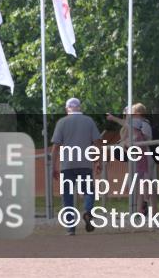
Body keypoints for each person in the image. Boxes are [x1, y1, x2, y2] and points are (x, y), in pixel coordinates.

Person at [51, 97, 102, 236]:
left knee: (67, 196)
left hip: (67, 165)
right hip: (85, 163)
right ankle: (87, 210)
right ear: (79, 108)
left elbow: (56, 146)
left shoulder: (61, 122)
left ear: (67, 108)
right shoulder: (88, 121)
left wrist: (53, 167)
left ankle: (70, 228)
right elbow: (97, 142)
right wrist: (98, 161)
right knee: (89, 191)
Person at [106, 102, 157, 214]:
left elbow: (142, 139)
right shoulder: (134, 125)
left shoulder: (143, 124)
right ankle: (140, 209)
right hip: (135, 158)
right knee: (137, 183)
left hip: (145, 157)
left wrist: (113, 118)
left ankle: (152, 208)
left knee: (147, 183)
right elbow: (125, 138)